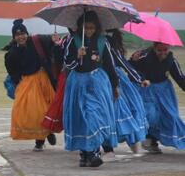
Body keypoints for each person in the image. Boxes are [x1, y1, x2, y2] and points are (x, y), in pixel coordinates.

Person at [63, 11, 119, 167]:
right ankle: (85, 153)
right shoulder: (72, 41)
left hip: (97, 84)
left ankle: (94, 152)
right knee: (81, 117)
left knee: (93, 114)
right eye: (86, 27)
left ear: (97, 28)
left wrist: (115, 85)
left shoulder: (103, 42)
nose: (88, 30)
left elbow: (109, 65)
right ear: (80, 26)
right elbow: (67, 64)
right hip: (77, 83)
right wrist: (77, 56)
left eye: (92, 28)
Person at [4, 19, 57, 151]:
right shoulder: (11, 54)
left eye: (23, 33)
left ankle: (47, 131)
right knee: (36, 112)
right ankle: (41, 140)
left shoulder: (38, 41)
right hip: (28, 83)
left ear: (27, 33)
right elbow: (12, 72)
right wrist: (20, 84)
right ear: (14, 37)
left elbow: (53, 46)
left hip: (45, 81)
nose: (21, 37)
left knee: (49, 110)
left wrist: (55, 41)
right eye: (17, 35)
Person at [130, 42, 185, 152]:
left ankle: (152, 140)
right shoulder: (143, 56)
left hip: (164, 92)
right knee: (151, 116)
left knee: (171, 116)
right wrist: (132, 60)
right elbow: (130, 68)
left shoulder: (171, 60)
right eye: (159, 50)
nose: (163, 53)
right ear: (154, 48)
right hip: (145, 90)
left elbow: (180, 77)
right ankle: (148, 139)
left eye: (165, 50)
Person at [103, 29, 149, 157]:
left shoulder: (107, 42)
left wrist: (139, 79)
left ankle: (130, 146)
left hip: (115, 79)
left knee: (124, 109)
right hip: (98, 79)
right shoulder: (87, 41)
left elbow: (122, 62)